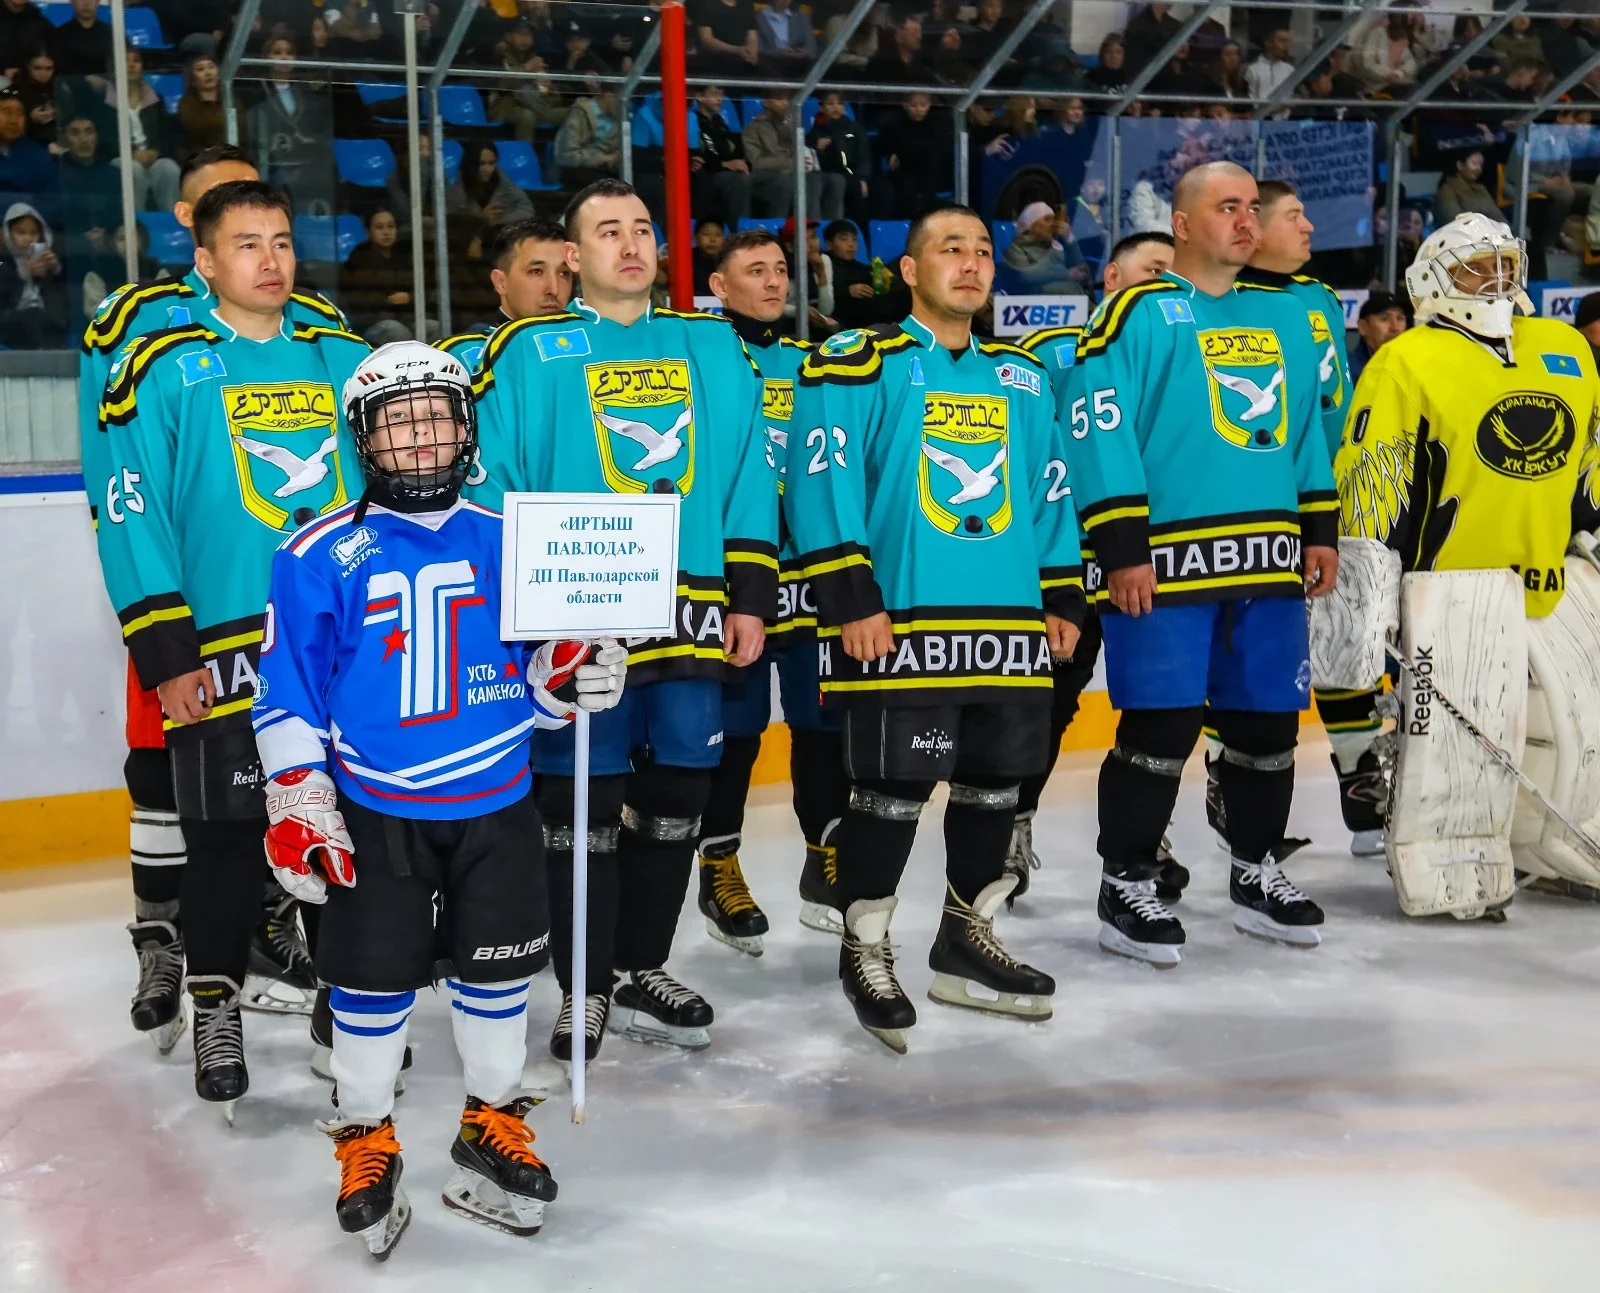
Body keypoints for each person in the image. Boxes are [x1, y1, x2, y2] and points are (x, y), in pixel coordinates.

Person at [253, 342, 626, 1257]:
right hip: (377, 809)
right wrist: (298, 792)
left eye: (436, 419)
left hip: (497, 803)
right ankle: (366, 1132)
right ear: (362, 437)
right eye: (398, 422)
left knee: (499, 977)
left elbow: (539, 681)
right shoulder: (314, 553)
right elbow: (287, 689)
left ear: (466, 430)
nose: (420, 440)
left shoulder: (513, 539)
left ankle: (490, 1121)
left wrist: (571, 683)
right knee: (369, 985)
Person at [468, 179, 776, 1061]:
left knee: (679, 793)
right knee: (584, 805)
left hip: (689, 609)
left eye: (642, 228)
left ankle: (642, 967)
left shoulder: (708, 344)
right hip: (577, 616)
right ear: (572, 254)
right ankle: (585, 985)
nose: (631, 244)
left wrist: (750, 593)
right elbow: (492, 482)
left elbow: (749, 468)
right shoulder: (528, 349)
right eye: (608, 231)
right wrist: (524, 613)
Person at [91, 180, 370, 1113]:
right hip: (219, 650)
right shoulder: (161, 368)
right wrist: (167, 653)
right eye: (247, 244)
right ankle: (217, 1006)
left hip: (341, 648)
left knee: (349, 831)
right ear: (204, 261)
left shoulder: (344, 356)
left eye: (282, 241)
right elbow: (134, 519)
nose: (271, 259)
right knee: (223, 842)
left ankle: (342, 1008)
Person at [784, 205, 1086, 1052]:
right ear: (910, 270)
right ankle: (866, 947)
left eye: (984, 249)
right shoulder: (858, 361)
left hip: (1009, 623)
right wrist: (849, 596)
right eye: (951, 249)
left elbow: (1050, 487)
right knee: (892, 793)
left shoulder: (1023, 377)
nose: (973, 262)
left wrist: (1062, 592)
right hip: (901, 623)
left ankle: (965, 941)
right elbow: (822, 474)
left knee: (996, 787)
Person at [1063, 161, 1337, 967]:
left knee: (1268, 727)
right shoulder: (1135, 313)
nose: (1246, 221)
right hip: (1165, 565)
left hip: (1269, 559)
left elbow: (1306, 433)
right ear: (1182, 224)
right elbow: (1097, 426)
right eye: (1227, 207)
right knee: (1161, 727)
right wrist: (1120, 545)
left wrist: (1319, 529)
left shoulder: (1285, 316)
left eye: (1252, 207)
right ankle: (1126, 882)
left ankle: (1256, 870)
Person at [1321, 213, 1600, 915]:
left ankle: (1561, 844)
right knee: (1457, 747)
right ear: (1432, 279)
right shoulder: (1406, 359)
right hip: (1450, 587)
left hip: (1555, 573)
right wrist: (1367, 596)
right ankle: (1451, 863)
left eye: (1507, 262)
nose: (1497, 279)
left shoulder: (1565, 345)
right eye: (1478, 267)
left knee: (1583, 726)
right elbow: (1373, 477)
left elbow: (1591, 452)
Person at [690, 229, 848, 953]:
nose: (774, 282)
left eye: (781, 269)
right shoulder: (699, 361)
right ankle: (719, 865)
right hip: (735, 577)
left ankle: (826, 856)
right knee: (738, 731)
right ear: (719, 287)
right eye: (755, 271)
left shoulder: (813, 364)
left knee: (821, 724)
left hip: (807, 577)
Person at [1006, 230, 1175, 903]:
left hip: (1153, 560)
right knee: (1049, 702)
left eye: (1173, 274)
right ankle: (1013, 818)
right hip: (1067, 561)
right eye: (1153, 270)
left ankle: (1145, 832)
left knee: (1162, 704)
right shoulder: (1045, 351)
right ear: (1111, 277)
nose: (1164, 285)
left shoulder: (1183, 347)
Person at [441, 216, 574, 366]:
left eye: (564, 273)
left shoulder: (589, 342)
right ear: (500, 282)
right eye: (536, 271)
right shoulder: (465, 358)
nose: (554, 289)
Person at [97, 47, 181, 213]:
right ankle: (136, 222)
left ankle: (171, 222)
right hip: (119, 158)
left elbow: (168, 134)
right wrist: (130, 153)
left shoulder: (155, 98)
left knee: (170, 168)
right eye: (126, 61)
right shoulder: (104, 101)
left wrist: (156, 150)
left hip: (152, 158)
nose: (131, 65)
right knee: (132, 170)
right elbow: (103, 138)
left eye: (136, 61)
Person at [339, 208, 416, 345]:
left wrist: (410, 297)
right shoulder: (358, 259)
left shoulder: (405, 257)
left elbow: (422, 289)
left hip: (407, 319)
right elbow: (355, 299)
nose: (386, 232)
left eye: (390, 226)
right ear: (368, 232)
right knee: (396, 330)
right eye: (379, 227)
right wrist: (387, 300)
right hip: (371, 324)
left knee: (433, 327)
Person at [0, 199, 65, 346]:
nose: (28, 238)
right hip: (12, 324)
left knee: (41, 319)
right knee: (32, 316)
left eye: (33, 233)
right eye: (20, 232)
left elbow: (60, 302)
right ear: (9, 233)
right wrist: (23, 273)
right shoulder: (3, 262)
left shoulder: (49, 258)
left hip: (46, 322)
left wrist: (55, 271)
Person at [743, 96, 819, 219]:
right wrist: (792, 163)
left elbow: (798, 152)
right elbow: (756, 163)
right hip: (764, 178)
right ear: (766, 102)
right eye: (779, 99)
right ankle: (778, 224)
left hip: (789, 174)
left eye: (786, 99)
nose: (785, 103)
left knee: (817, 180)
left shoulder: (789, 126)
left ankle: (812, 225)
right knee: (784, 181)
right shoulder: (752, 128)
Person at [1002, 200, 1088, 295]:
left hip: (1075, 299)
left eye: (1053, 219)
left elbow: (1082, 272)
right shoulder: (1016, 249)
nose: (1053, 224)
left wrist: (1070, 240)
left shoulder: (1057, 245)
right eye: (1047, 220)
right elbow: (1025, 275)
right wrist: (1066, 274)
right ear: (1031, 225)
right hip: (1040, 300)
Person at [807, 92, 868, 223]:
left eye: (840, 103)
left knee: (856, 187)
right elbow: (809, 157)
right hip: (825, 173)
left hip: (851, 174)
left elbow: (864, 156)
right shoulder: (815, 132)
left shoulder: (855, 129)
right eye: (830, 103)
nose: (836, 107)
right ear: (821, 108)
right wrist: (817, 148)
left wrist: (862, 178)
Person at [0, 89, 57, 226]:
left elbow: (53, 204)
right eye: (7, 112)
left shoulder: (38, 155)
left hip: (30, 232)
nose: (13, 120)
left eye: (19, 114)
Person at [553, 84, 622, 190]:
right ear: (608, 95)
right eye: (621, 100)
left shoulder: (619, 119)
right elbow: (566, 156)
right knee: (606, 186)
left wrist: (615, 160)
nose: (626, 105)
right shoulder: (578, 114)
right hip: (576, 168)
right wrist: (603, 159)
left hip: (606, 170)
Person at [1348, 288, 1409, 382]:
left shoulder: (1414, 366)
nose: (1395, 328)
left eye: (1400, 318)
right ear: (1363, 327)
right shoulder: (1347, 372)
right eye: (1384, 319)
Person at [1434, 150, 1503, 225]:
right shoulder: (1446, 191)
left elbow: (1498, 217)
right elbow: (1455, 222)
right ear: (1460, 165)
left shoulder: (1481, 189)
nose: (1478, 168)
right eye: (1474, 163)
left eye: (1480, 165)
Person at [47, 0, 110, 78]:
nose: (86, 3)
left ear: (98, 1)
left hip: (108, 84)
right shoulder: (60, 35)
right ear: (72, 1)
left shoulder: (111, 34)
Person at [757, 0, 815, 65]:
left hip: (800, 66)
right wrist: (777, 54)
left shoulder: (801, 17)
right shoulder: (758, 19)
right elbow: (757, 50)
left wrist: (805, 53)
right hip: (769, 67)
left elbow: (812, 46)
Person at [1246, 27, 1295, 101]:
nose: (1286, 45)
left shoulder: (1290, 69)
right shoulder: (1252, 69)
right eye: (1282, 40)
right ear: (1268, 42)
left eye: (1288, 41)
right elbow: (1249, 99)